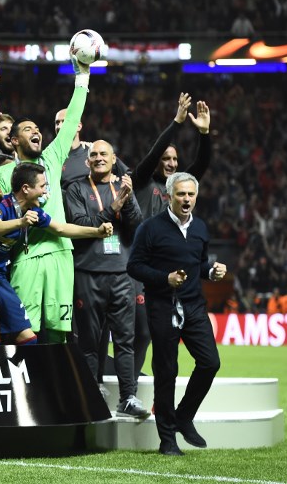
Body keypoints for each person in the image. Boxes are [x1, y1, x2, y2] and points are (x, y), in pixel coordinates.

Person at [0, 57, 91, 343]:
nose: (36, 131)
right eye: (27, 129)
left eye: (37, 129)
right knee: (24, 331)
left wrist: (82, 77)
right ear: (13, 141)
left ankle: (56, 375)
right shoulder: (2, 174)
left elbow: (72, 119)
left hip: (60, 251)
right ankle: (24, 375)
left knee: (59, 332)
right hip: (25, 254)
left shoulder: (52, 158)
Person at [0, 162, 113, 345]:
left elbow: (61, 229)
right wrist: (21, 222)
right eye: (42, 186)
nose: (45, 191)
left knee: (28, 338)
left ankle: (28, 366)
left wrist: (96, 232)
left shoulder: (32, 212)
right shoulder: (2, 204)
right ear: (26, 188)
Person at [128, 172, 227, 456]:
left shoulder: (201, 228)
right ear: (169, 196)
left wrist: (212, 272)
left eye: (191, 194)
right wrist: (165, 278)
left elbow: (199, 264)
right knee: (167, 371)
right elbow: (134, 266)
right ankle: (167, 440)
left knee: (210, 363)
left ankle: (183, 416)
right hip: (162, 305)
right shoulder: (150, 228)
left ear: (196, 197)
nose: (186, 199)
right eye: (181, 194)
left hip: (194, 306)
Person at [65, 140, 148, 417]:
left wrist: (128, 199)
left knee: (125, 340)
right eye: (94, 155)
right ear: (87, 161)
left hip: (122, 274)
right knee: (89, 341)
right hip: (88, 272)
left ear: (114, 159)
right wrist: (113, 207)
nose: (99, 158)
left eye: (104, 154)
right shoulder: (76, 189)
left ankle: (128, 398)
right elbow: (81, 225)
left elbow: (136, 227)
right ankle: (91, 396)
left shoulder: (123, 187)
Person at [131, 93, 211, 379]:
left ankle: (134, 379)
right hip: (139, 266)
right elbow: (154, 153)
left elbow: (201, 165)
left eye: (175, 159)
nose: (171, 163)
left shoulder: (180, 189)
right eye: (166, 158)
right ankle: (125, 379)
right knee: (138, 332)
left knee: (150, 335)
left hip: (166, 272)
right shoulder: (142, 180)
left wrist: (204, 134)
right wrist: (177, 122)